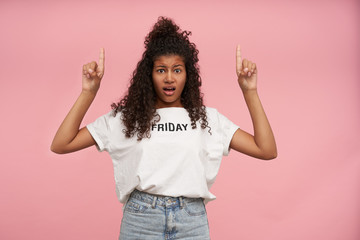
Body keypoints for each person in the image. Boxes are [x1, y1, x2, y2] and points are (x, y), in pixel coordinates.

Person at [51, 16, 277, 240]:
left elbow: (266, 150)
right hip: (141, 219)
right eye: (161, 70)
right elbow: (62, 144)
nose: (169, 78)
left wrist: (250, 91)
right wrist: (88, 92)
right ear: (149, 74)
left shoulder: (206, 119)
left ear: (188, 75)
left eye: (177, 70)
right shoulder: (128, 118)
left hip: (192, 220)